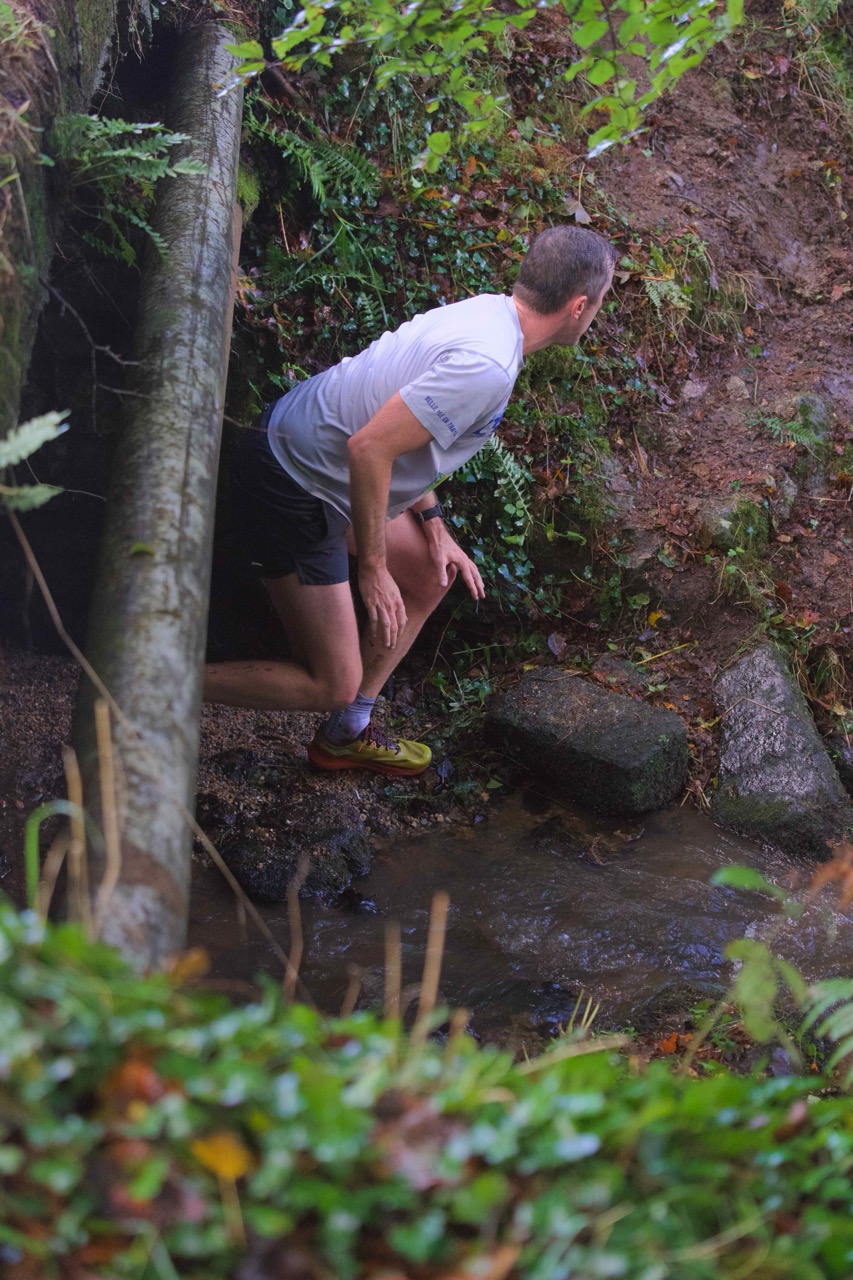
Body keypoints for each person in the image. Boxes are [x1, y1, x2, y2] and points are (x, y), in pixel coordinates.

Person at [204, 225, 617, 776]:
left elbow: (397, 433)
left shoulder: (490, 315)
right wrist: (372, 568)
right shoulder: (487, 365)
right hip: (294, 480)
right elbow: (371, 447)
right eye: (602, 301)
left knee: (429, 572)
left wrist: (434, 523)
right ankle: (155, 686)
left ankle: (346, 733)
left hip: (321, 459)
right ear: (579, 305)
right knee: (333, 682)